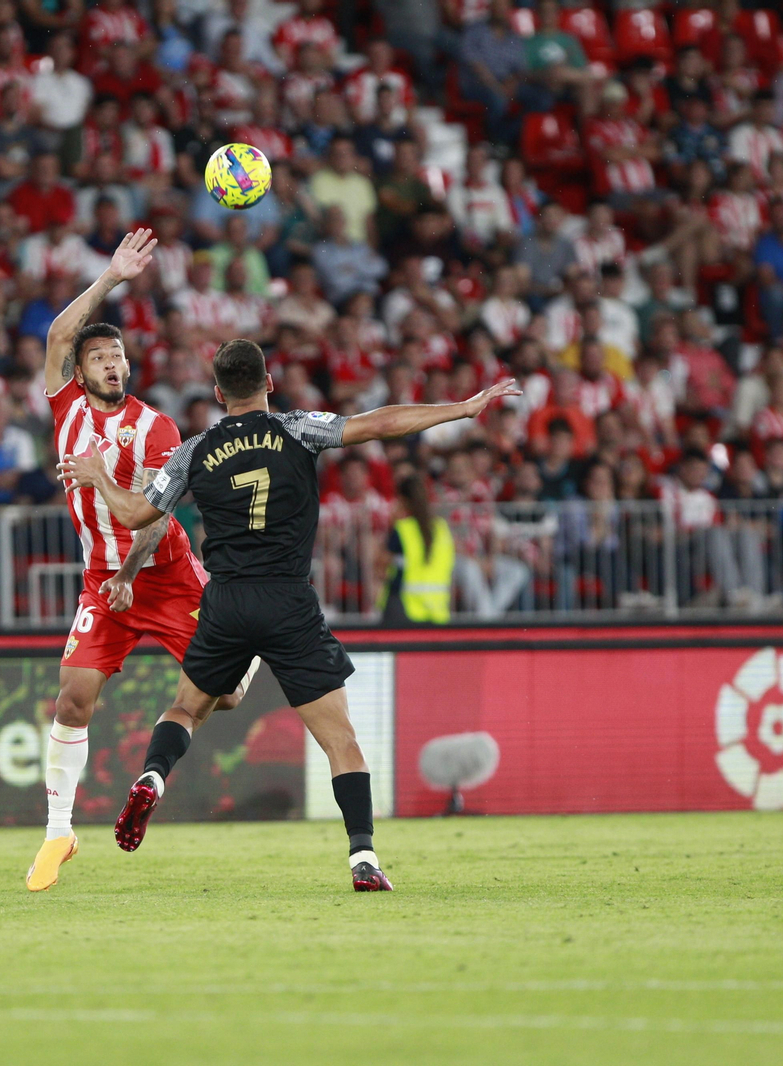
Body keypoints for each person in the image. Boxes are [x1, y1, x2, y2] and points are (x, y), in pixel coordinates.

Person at [61, 337, 520, 891]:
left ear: (216, 393)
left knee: (185, 708)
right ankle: (363, 859)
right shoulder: (296, 428)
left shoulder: (194, 450)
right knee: (340, 740)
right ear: (269, 385)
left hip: (225, 602)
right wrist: (462, 408)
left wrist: (99, 477)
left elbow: (136, 513)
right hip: (288, 602)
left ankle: (154, 778)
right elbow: (378, 424)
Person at [25, 229, 250, 892]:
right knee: (72, 698)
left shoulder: (156, 428)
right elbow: (55, 337)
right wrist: (110, 279)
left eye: (118, 355)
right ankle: (58, 832)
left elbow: (157, 516)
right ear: (81, 369)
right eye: (99, 357)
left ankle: (239, 623)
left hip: (163, 574)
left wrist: (127, 569)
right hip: (102, 584)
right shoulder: (64, 408)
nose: (111, 365)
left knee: (231, 695)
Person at [379, 474, 454, 624]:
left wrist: (392, 522)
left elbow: (381, 566)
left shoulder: (402, 529)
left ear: (403, 500)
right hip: (438, 611)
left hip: (405, 608)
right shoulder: (442, 529)